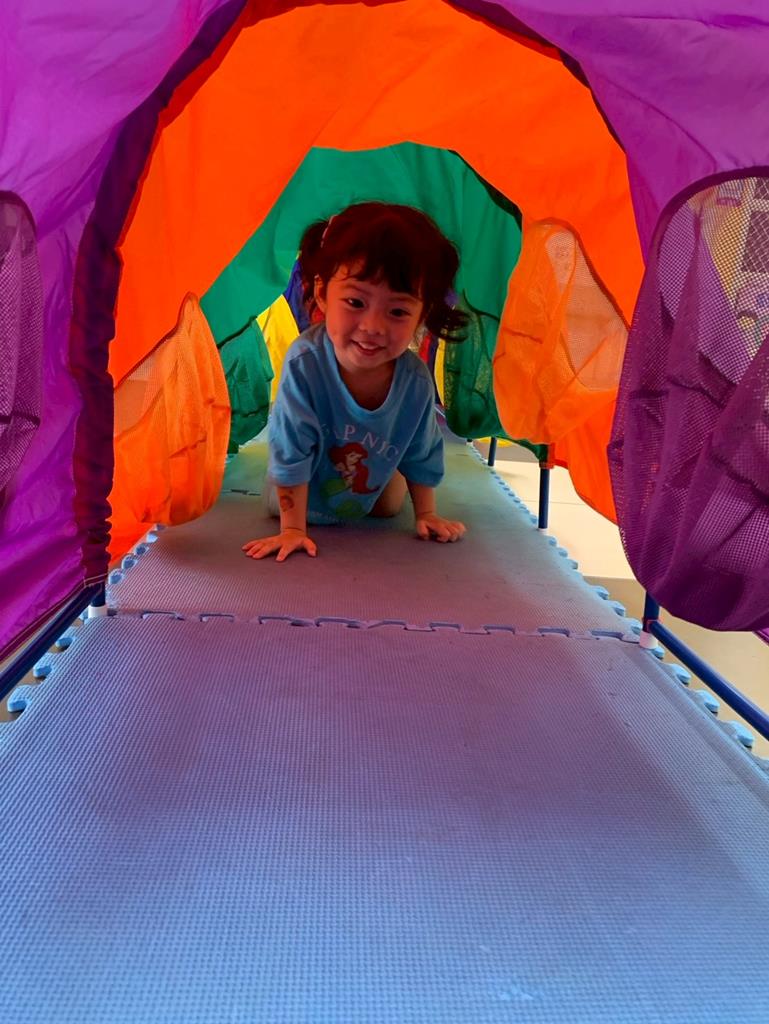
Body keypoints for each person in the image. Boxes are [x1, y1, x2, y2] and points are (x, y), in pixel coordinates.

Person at [242, 201, 468, 562]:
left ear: (422, 315)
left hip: (368, 488)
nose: (372, 327)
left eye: (397, 311)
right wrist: (293, 529)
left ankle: (378, 486)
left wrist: (426, 513)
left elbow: (421, 450)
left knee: (388, 506)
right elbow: (290, 450)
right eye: (355, 302)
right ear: (322, 293)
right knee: (280, 498)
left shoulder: (414, 381)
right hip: (299, 489)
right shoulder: (304, 364)